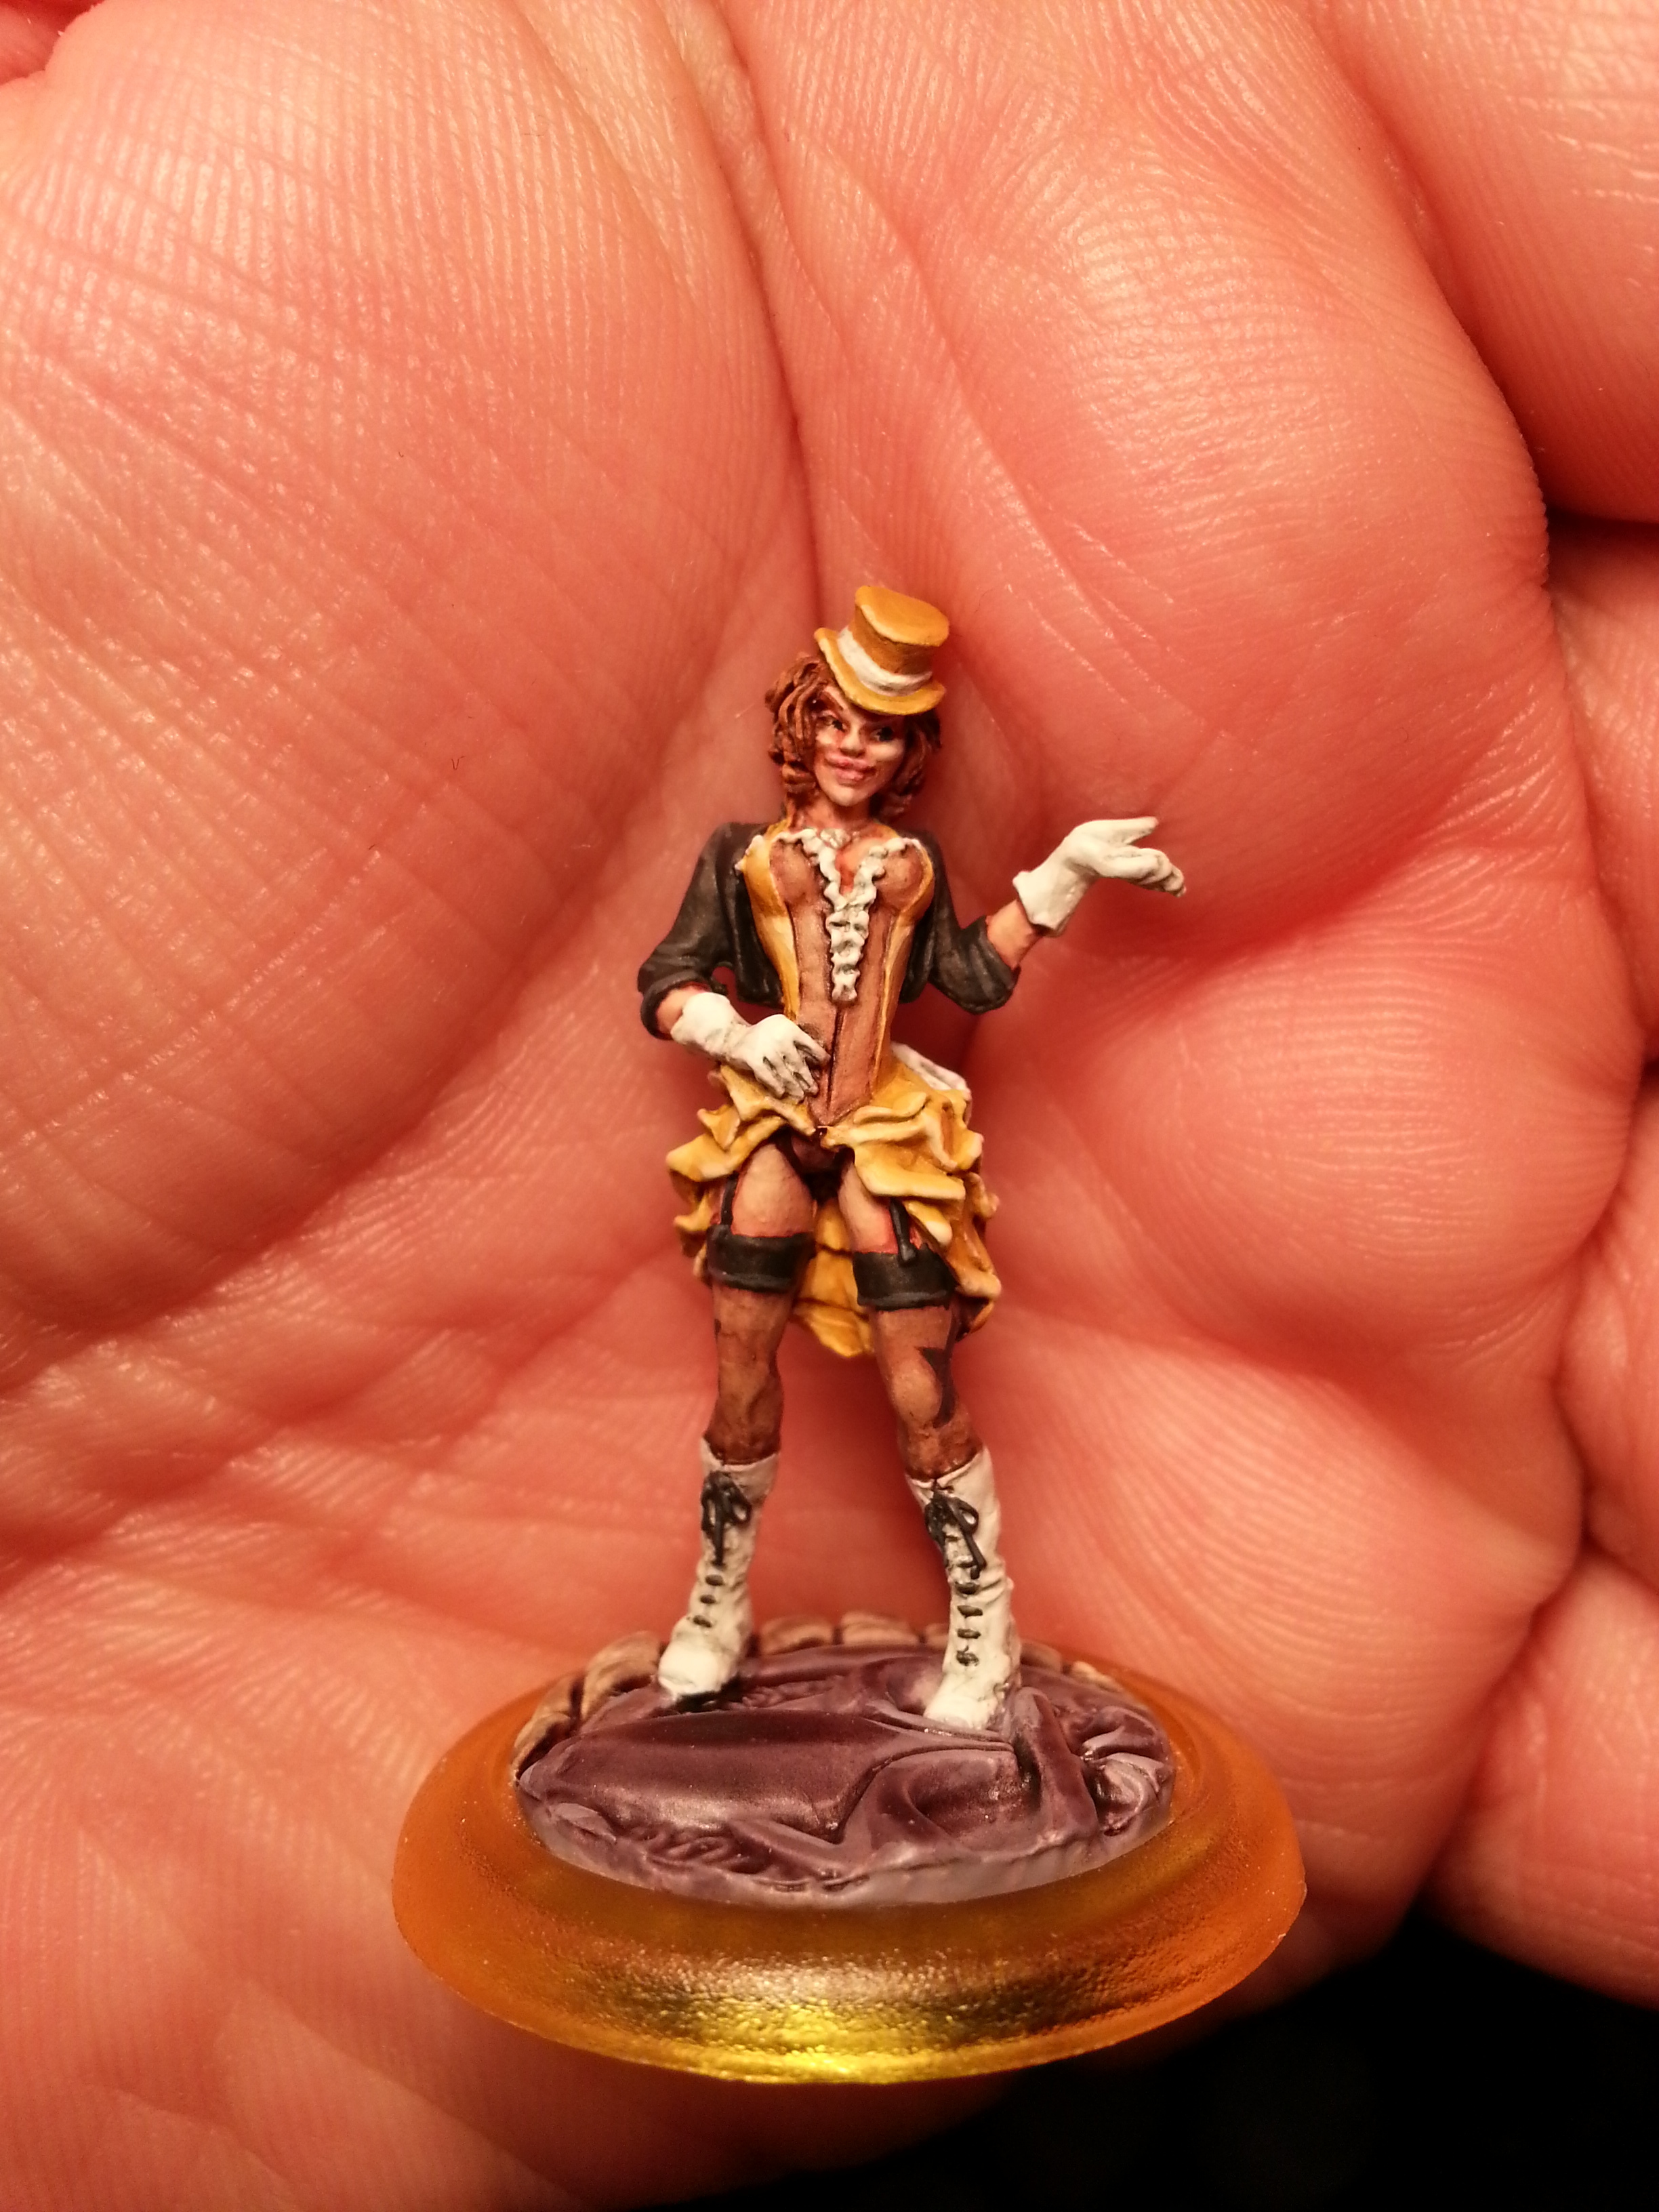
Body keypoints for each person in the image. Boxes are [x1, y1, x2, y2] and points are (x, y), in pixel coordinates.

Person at [638, 587, 1182, 1724]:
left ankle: (986, 1616)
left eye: (880, 731)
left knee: (919, 1380)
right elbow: (667, 980)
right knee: (740, 1359)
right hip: (775, 1123)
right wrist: (736, 1031)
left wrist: (1067, 871)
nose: (853, 746)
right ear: (803, 724)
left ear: (907, 751)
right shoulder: (741, 857)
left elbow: (971, 976)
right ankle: (717, 1601)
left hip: (886, 1134)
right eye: (836, 720)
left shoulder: (913, 864)